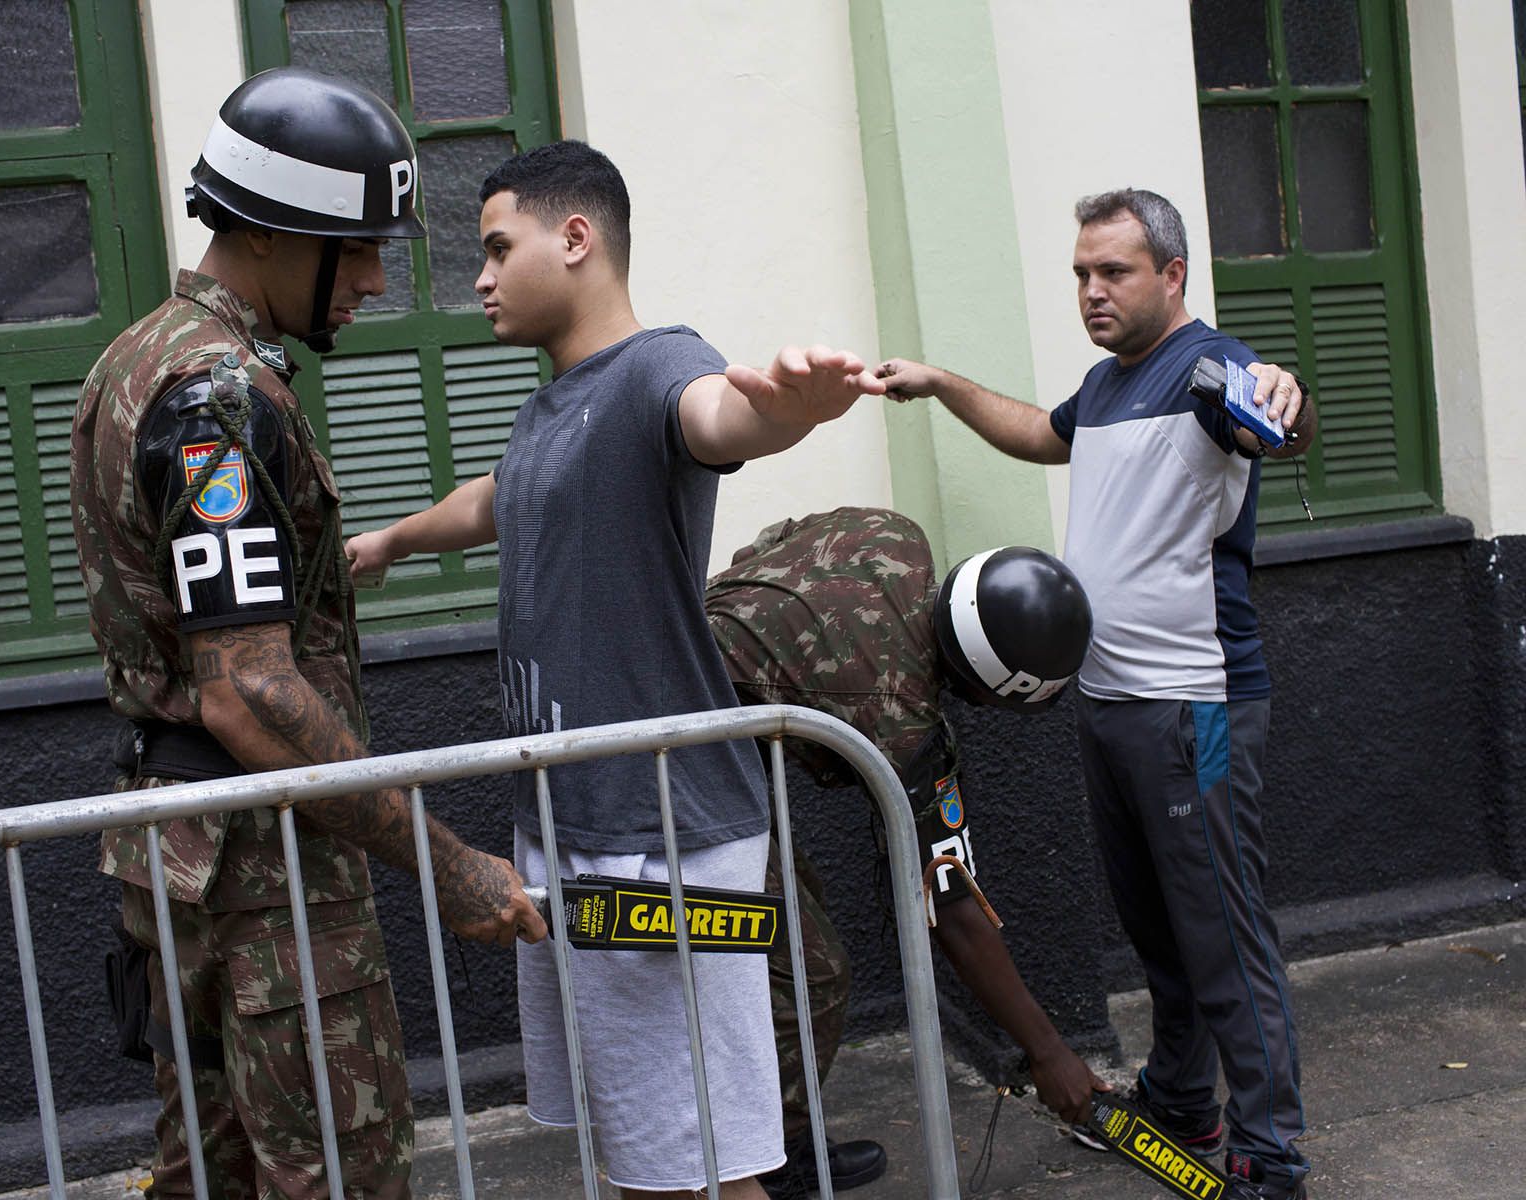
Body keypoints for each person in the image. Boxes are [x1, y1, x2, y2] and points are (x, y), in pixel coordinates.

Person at [344, 141, 884, 1199]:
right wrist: (392, 542)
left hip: (662, 839)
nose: (481, 278)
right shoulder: (554, 405)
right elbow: (495, 496)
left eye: (497, 248)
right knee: (650, 1156)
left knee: (703, 1164)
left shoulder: (657, 368)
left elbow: (719, 417)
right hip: (570, 826)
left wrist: (792, 410)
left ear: (576, 238)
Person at [70, 68, 546, 1200]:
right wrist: (451, 864)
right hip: (263, 880)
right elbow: (246, 691)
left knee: (215, 1169)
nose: (378, 281)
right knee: (339, 1172)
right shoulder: (214, 398)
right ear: (274, 239)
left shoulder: (141, 357)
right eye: (360, 250)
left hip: (191, 862)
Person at [875, 188, 1315, 1200]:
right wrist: (940, 382)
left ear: (1171, 275)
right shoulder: (1111, 383)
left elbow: (1275, 422)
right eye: (1080, 272)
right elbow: (1042, 432)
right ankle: (1181, 1099)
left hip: (1196, 709)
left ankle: (1269, 1153)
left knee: (1223, 926)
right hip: (1111, 702)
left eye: (1112, 271)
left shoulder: (1212, 371)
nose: (1091, 291)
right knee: (1159, 923)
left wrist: (1281, 395)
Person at [705, 506, 1107, 1198]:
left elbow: (764, 548)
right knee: (810, 968)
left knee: (795, 917)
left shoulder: (893, 533)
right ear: (987, 687)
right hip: (674, 754)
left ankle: (771, 1138)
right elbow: (951, 910)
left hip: (679, 682)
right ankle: (761, 1161)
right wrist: (1048, 1053)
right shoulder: (901, 718)